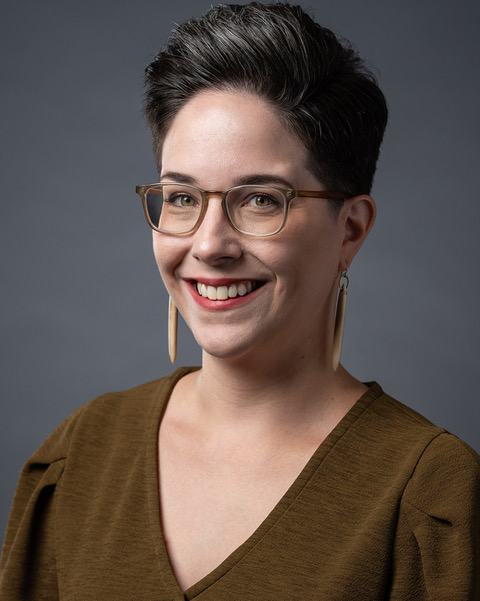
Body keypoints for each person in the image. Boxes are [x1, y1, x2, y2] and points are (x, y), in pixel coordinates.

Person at [1, 2, 479, 599]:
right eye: (180, 199)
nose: (209, 245)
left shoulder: (430, 497)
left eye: (259, 200)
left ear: (350, 229)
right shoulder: (80, 455)